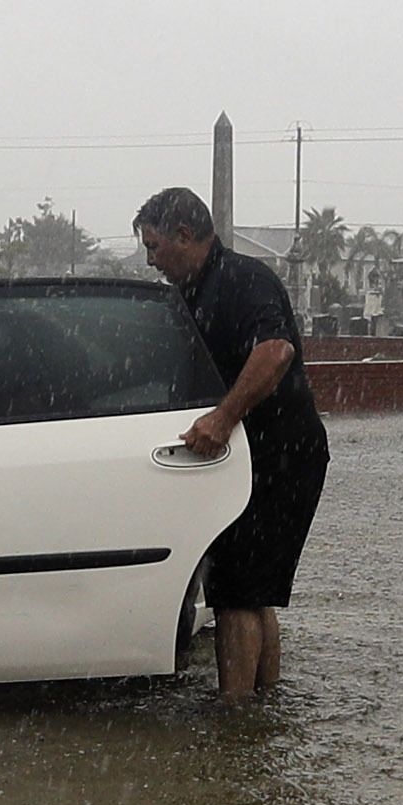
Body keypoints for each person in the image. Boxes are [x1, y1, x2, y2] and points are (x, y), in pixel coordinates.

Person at [136, 186, 327, 699]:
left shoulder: (244, 279)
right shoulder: (191, 290)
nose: (151, 261)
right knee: (255, 590)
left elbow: (276, 349)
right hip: (253, 457)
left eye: (154, 248)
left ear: (183, 235)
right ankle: (264, 708)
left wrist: (222, 419)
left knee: (236, 592)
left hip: (281, 455)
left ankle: (235, 719)